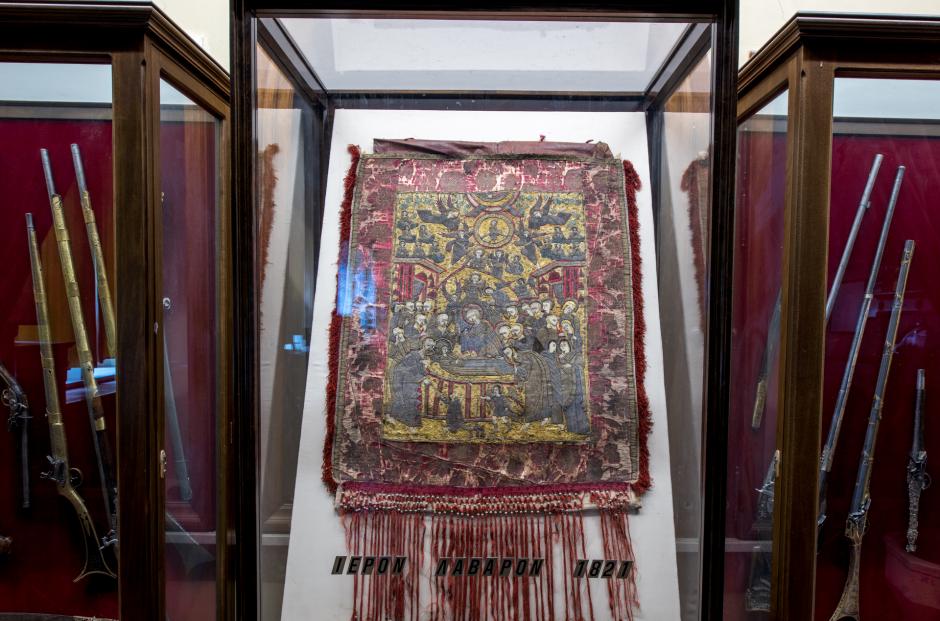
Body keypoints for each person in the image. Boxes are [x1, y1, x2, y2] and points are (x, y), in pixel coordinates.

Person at [555, 340, 589, 434]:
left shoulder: (576, 355)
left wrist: (571, 366)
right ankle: (572, 430)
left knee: (577, 406)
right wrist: (561, 361)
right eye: (561, 345)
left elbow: (581, 365)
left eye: (565, 344)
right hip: (565, 386)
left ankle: (583, 429)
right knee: (569, 407)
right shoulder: (559, 357)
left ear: (569, 345)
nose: (563, 346)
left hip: (577, 384)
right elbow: (558, 369)